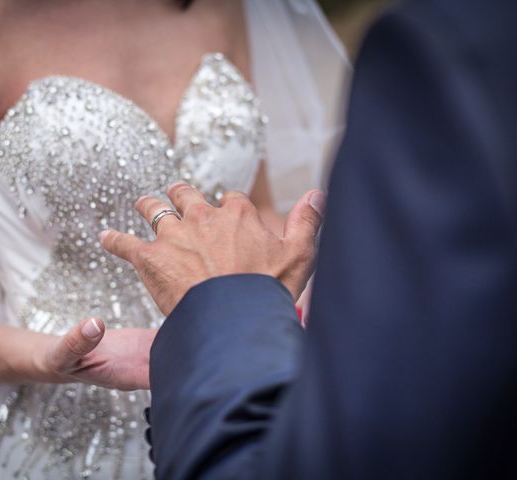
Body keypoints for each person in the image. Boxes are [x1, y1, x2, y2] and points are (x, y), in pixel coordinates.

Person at [0, 0, 348, 478]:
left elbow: (246, 207)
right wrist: (51, 354)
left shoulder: (215, 5)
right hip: (54, 440)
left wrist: (291, 288)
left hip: (241, 403)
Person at [101, 0, 517, 477]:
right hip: (71, 379)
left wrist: (227, 300)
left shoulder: (443, 51)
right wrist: (43, 358)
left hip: (225, 371)